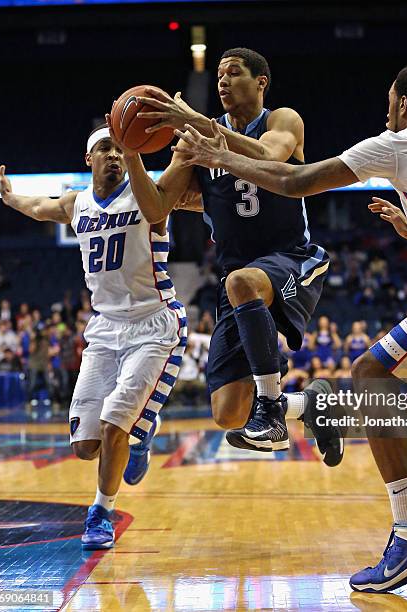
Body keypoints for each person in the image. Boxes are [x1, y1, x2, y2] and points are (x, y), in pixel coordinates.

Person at [174, 63, 407, 592]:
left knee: (372, 370)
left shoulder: (396, 143)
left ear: (400, 103)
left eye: (389, 101)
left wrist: (219, 155)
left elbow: (295, 180)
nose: (386, 110)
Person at [113, 47, 343, 465]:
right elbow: (158, 206)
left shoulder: (282, 121)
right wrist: (132, 154)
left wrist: (196, 126)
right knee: (228, 412)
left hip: (291, 257)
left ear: (260, 82)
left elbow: (270, 157)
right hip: (237, 276)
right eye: (218, 75)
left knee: (243, 281)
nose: (221, 81)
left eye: (233, 73)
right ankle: (310, 405)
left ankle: (271, 412)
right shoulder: (195, 139)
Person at [0, 125, 186, 550]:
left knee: (117, 422)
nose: (114, 156)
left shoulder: (147, 193)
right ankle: (144, 429)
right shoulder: (76, 203)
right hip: (104, 327)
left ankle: (101, 512)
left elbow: (181, 189)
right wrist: (8, 196)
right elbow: (39, 208)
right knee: (84, 446)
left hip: (153, 323)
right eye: (105, 149)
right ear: (89, 160)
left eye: (120, 149)